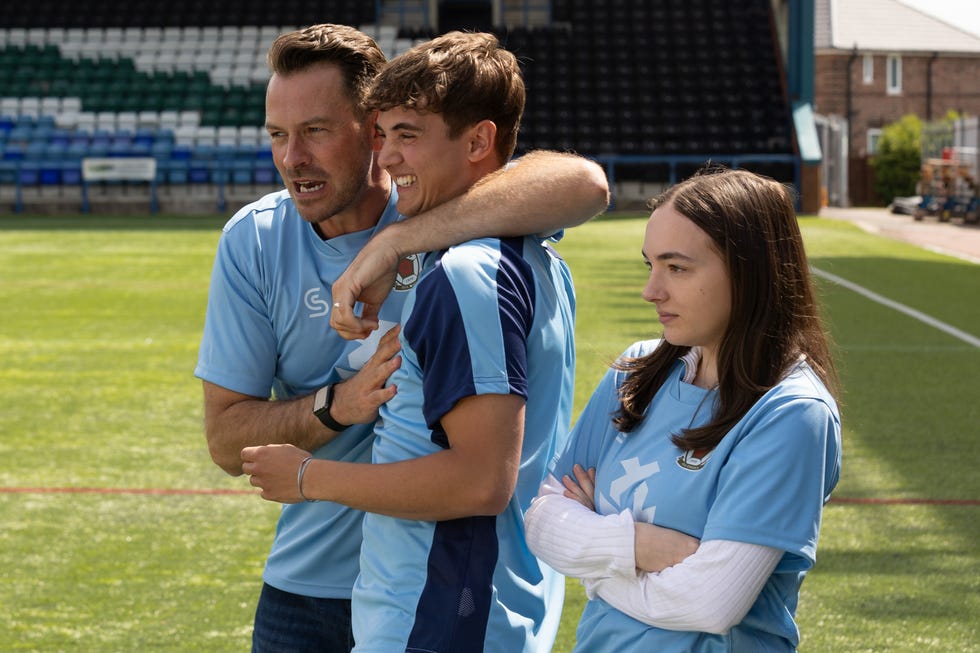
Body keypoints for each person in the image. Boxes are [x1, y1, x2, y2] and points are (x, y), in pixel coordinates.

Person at [195, 24, 608, 653]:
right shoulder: (254, 240)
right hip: (315, 589)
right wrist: (334, 407)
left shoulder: (451, 214)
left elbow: (584, 184)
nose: (291, 158)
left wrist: (396, 241)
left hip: (444, 586)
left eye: (315, 130)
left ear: (372, 127)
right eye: (278, 135)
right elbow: (227, 441)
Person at [524, 168, 842, 651]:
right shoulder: (636, 373)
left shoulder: (792, 413)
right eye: (650, 265)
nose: (652, 291)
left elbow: (708, 604)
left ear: (749, 271)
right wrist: (638, 547)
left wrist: (596, 564)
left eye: (677, 268)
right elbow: (542, 521)